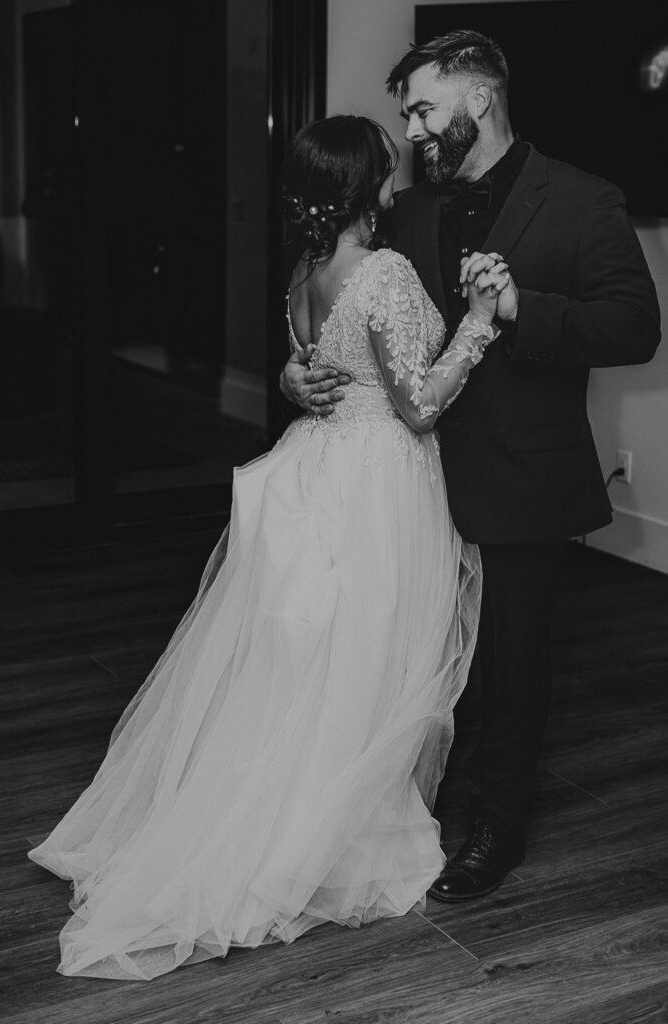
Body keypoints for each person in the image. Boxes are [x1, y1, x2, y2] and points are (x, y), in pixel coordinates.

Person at [28, 114, 514, 981]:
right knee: (370, 657)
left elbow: (321, 369)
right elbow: (419, 406)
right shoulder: (386, 271)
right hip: (379, 482)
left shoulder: (305, 273)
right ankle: (340, 833)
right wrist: (478, 320)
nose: (400, 177)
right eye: (389, 168)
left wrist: (298, 379)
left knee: (313, 662)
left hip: (323, 463)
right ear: (368, 186)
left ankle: (282, 812)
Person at [280, 31, 661, 903]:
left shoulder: (581, 199)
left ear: (477, 98)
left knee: (511, 656)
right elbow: (355, 325)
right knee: (407, 642)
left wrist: (524, 307)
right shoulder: (406, 212)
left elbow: (633, 328)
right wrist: (293, 371)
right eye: (406, 115)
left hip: (520, 468)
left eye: (422, 108)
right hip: (404, 475)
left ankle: (498, 823)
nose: (411, 130)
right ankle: (412, 788)